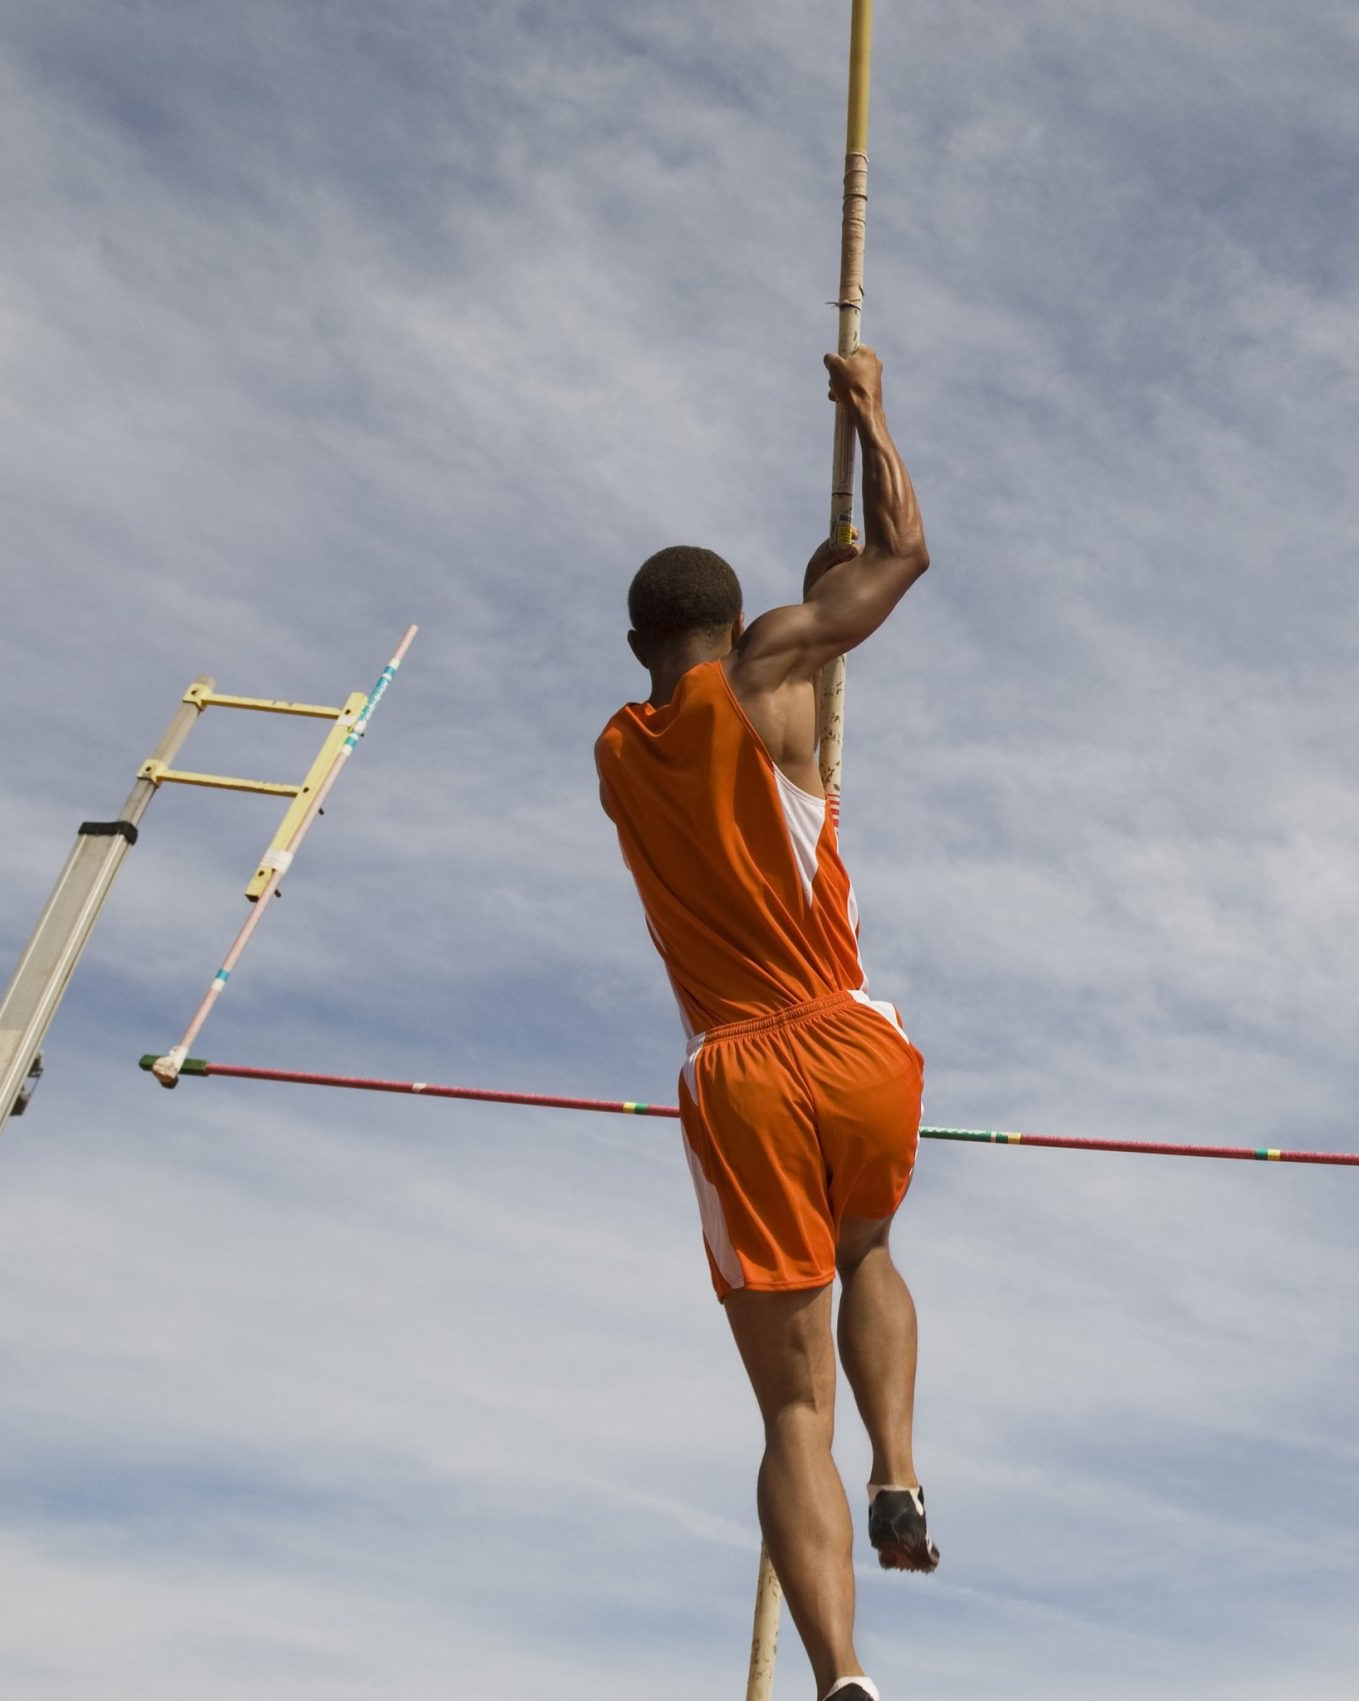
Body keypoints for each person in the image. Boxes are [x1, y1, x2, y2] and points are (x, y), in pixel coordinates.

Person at [595, 347, 936, 1701]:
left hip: (738, 1065)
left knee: (789, 1405)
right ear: (747, 621)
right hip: (852, 1041)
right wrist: (869, 413)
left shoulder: (618, 750)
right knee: (874, 1253)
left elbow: (759, 670)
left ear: (639, 646)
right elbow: (904, 556)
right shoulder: (782, 678)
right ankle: (901, 1465)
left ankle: (841, 1671)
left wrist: (808, 602)